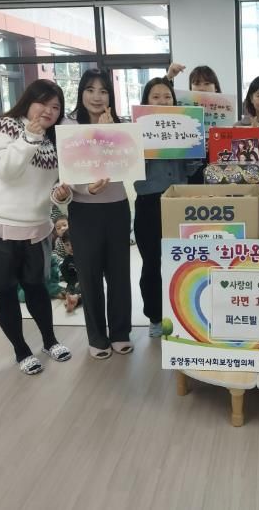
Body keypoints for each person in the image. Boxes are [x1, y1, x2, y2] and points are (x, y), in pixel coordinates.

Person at [0, 79, 72, 375]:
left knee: (37, 288)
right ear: (28, 101)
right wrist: (29, 137)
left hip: (37, 228)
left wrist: (60, 197)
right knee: (5, 291)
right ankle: (21, 350)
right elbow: (5, 170)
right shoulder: (6, 126)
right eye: (43, 102)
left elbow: (50, 188)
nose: (48, 111)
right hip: (1, 227)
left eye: (56, 107)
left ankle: (50, 341)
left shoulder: (54, 141)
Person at [66, 69, 133, 359]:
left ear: (110, 96)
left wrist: (110, 133)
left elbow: (126, 165)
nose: (97, 96)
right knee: (89, 275)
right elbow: (67, 172)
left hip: (117, 205)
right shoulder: (68, 125)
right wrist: (85, 188)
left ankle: (120, 332)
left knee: (119, 273)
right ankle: (96, 337)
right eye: (90, 90)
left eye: (103, 91)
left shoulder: (120, 125)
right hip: (83, 208)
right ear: (81, 93)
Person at [134, 78, 200, 337]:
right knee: (152, 262)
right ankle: (154, 317)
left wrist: (194, 150)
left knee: (184, 259)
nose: (162, 101)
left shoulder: (184, 125)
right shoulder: (137, 130)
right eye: (156, 97)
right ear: (146, 101)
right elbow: (133, 170)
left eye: (167, 97)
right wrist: (144, 147)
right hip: (149, 203)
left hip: (180, 202)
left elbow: (191, 170)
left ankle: (185, 315)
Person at [167, 63, 223, 183]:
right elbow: (161, 101)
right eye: (197, 84)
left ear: (216, 88)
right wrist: (169, 77)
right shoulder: (182, 110)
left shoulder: (226, 111)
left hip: (219, 171)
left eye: (207, 83)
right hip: (190, 172)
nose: (202, 88)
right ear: (191, 88)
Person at [59, 230, 81, 313]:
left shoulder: (84, 256)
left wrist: (79, 281)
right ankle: (70, 300)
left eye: (73, 244)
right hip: (73, 282)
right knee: (69, 288)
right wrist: (72, 282)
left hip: (85, 281)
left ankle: (75, 299)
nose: (70, 247)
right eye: (67, 245)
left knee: (83, 289)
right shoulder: (67, 260)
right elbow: (66, 273)